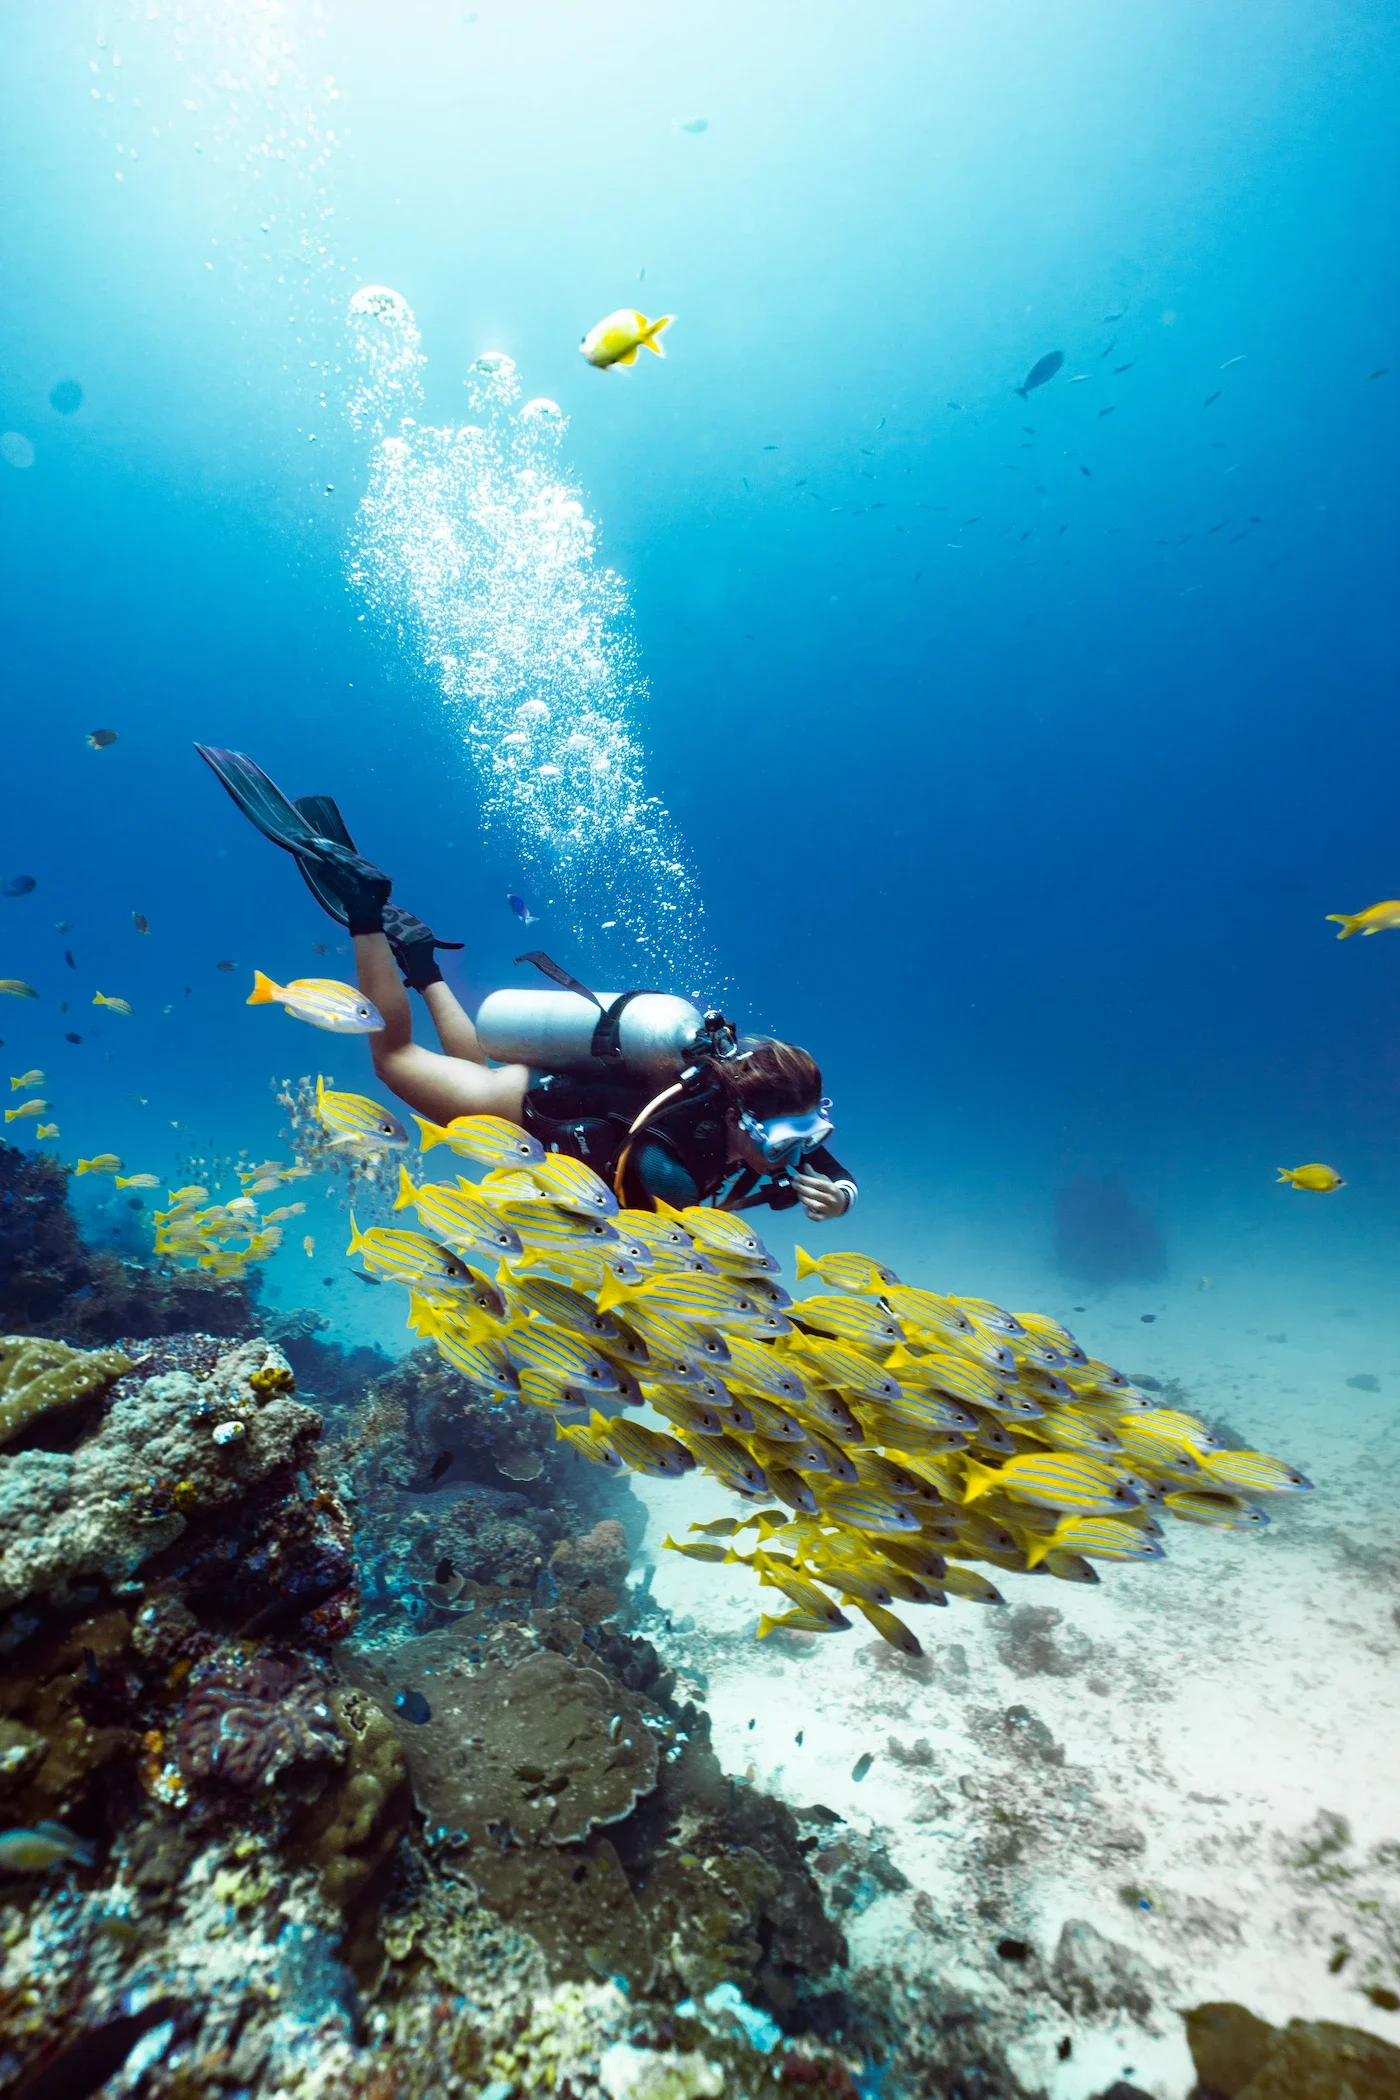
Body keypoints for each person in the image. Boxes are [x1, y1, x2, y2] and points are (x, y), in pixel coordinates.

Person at [197, 746, 858, 1221]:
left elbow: (811, 1164)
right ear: (742, 1114)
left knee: (467, 1062)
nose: (794, 1155)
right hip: (519, 1111)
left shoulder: (733, 1099)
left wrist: (841, 1190)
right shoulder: (674, 1165)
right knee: (393, 1060)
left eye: (808, 1136)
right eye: (785, 1142)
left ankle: (420, 961)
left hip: (543, 1087)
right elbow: (663, 1239)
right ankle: (365, 913)